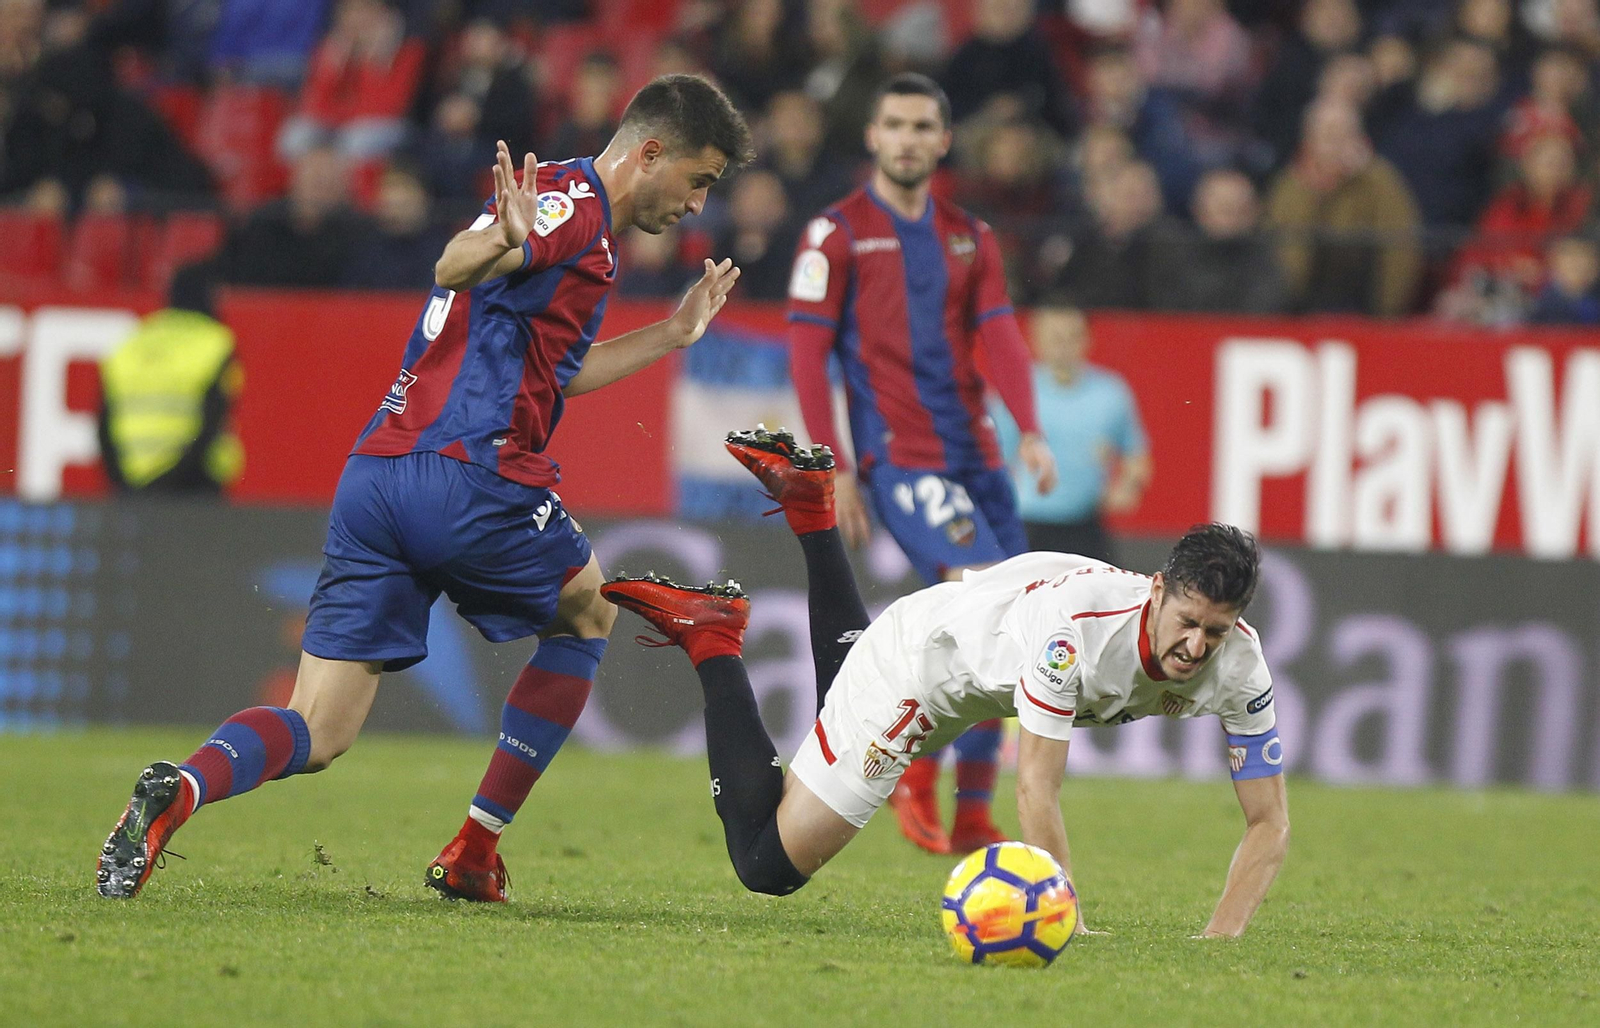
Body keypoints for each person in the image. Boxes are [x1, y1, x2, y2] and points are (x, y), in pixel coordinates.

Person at [95, 74, 755, 902]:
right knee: (588, 614)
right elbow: (454, 263)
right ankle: (476, 848)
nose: (698, 204)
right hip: (470, 474)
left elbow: (559, 370)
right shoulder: (572, 210)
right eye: (699, 179)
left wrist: (673, 332)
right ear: (651, 152)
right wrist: (497, 239)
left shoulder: (566, 212)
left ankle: (180, 790)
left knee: (319, 727)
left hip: (378, 477)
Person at [602, 428, 1289, 938]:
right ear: (1158, 590)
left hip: (954, 642)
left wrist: (1220, 939)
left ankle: (811, 512)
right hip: (915, 676)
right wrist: (1065, 919)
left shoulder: (1240, 666)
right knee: (766, 866)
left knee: (838, 695)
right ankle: (713, 639)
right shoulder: (1074, 635)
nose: (1196, 647)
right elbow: (1036, 787)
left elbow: (1270, 821)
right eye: (1187, 623)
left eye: (1216, 631)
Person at [785, 73, 1057, 857]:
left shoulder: (971, 236)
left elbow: (999, 331)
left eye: (921, 126)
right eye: (894, 124)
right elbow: (807, 353)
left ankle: (972, 811)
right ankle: (915, 775)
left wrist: (1031, 430)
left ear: (944, 140)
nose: (907, 139)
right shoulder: (835, 234)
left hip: (979, 457)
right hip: (901, 460)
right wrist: (833, 465)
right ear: (874, 136)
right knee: (985, 605)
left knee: (1017, 625)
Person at [992, 303, 1151, 565]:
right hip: (1029, 526)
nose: (1063, 347)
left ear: (1087, 339)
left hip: (1087, 525)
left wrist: (1128, 487)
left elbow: (1136, 454)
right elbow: (996, 458)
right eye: (1055, 338)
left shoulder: (1111, 393)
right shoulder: (1018, 391)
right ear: (1036, 340)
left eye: (1072, 337)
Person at [97, 262, 243, 495]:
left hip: (131, 484)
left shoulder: (132, 341)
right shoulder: (216, 343)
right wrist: (173, 482)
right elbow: (213, 421)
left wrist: (123, 483)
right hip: (194, 487)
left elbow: (104, 420)